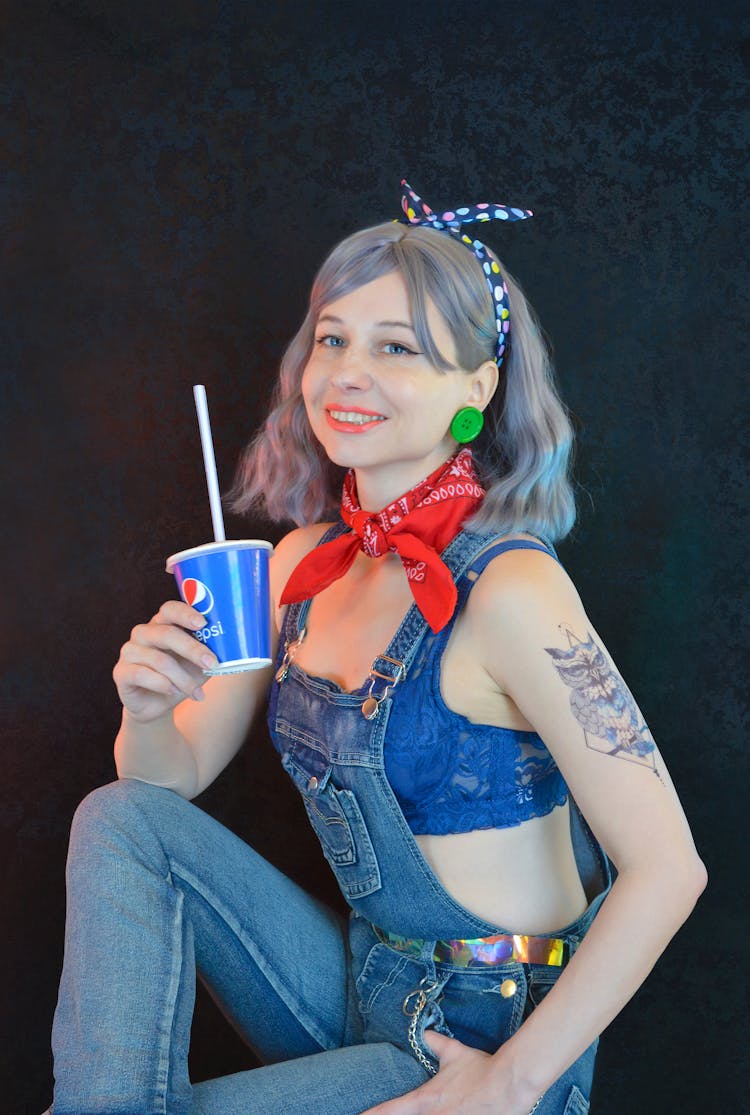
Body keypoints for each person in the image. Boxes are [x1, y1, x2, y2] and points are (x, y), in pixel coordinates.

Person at [48, 181, 706, 1115]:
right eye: (332, 339)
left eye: (396, 347)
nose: (347, 372)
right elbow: (167, 783)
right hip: (365, 980)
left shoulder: (513, 590)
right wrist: (149, 708)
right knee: (118, 818)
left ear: (475, 389)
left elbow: (670, 869)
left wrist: (507, 1085)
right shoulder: (299, 566)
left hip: (488, 1033)